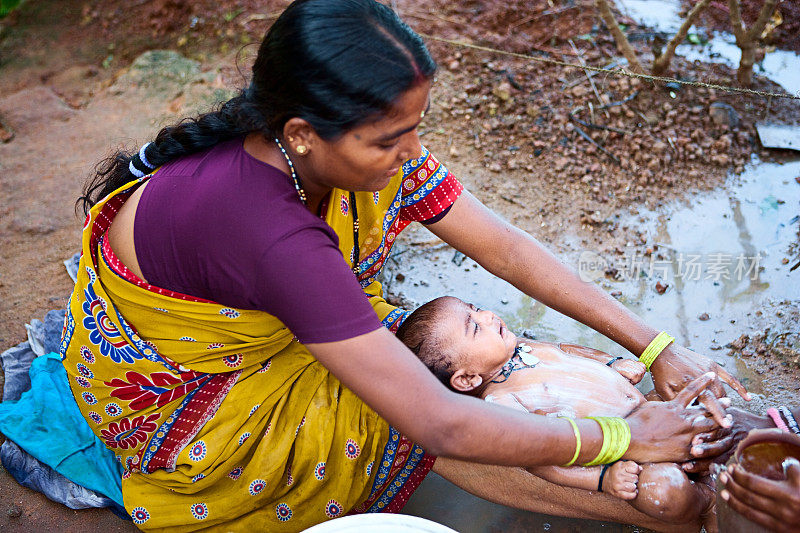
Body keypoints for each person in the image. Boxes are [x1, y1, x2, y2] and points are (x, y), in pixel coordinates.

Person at [61, 0, 743, 530]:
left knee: (469, 348)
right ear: (301, 132)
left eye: (415, 126)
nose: (411, 153)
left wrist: (655, 344)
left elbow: (504, 247)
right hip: (201, 406)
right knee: (430, 400)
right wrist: (616, 437)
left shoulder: (330, 154)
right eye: (391, 139)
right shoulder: (271, 232)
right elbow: (437, 421)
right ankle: (691, 511)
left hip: (269, 323)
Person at [396, 296, 721, 528]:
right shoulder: (503, 403)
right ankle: (706, 507)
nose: (488, 316)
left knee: (704, 406)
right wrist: (604, 480)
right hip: (627, 455)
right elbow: (542, 464)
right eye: (475, 328)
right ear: (467, 379)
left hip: (647, 408)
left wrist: (610, 363)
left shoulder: (525, 347)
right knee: (663, 494)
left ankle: (734, 455)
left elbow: (569, 351)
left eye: (476, 309)